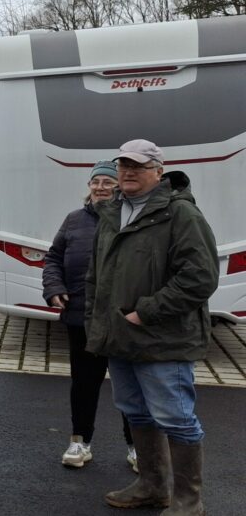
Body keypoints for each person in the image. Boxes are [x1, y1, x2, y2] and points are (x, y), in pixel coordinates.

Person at [86, 139, 218, 513]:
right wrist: (97, 322)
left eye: (138, 166)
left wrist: (146, 312)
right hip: (120, 338)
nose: (127, 172)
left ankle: (188, 501)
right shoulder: (113, 212)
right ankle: (151, 485)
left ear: (159, 173)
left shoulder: (181, 215)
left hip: (164, 339)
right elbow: (97, 276)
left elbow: (200, 277)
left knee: (175, 417)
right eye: (123, 165)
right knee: (136, 411)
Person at [42, 161, 135, 469]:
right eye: (95, 182)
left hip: (122, 321)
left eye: (107, 182)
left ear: (119, 187)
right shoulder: (74, 220)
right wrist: (54, 286)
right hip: (81, 317)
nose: (100, 188)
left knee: (128, 386)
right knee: (83, 382)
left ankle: (137, 446)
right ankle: (80, 442)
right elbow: (54, 257)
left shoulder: (131, 219)